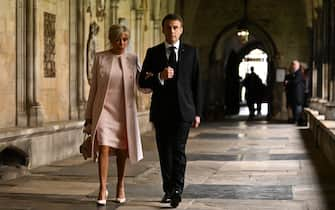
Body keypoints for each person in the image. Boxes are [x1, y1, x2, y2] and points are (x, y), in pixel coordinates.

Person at [138, 13, 202, 208]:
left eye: (176, 27)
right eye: (169, 27)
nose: (172, 31)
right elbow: (142, 81)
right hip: (161, 112)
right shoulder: (153, 52)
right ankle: (168, 189)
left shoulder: (191, 52)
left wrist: (198, 112)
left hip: (184, 111)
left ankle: (177, 190)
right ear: (163, 29)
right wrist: (160, 76)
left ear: (181, 30)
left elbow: (197, 83)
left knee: (178, 151)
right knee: (164, 152)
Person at [84, 24, 143, 206]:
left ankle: (120, 185)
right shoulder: (100, 58)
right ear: (111, 39)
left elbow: (143, 85)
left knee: (122, 150)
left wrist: (158, 79)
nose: (122, 43)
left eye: (125, 39)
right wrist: (89, 117)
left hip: (124, 112)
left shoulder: (133, 59)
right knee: (104, 147)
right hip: (103, 111)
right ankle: (102, 188)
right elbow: (93, 89)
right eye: (118, 39)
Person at [286, 60, 305, 125]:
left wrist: (288, 82)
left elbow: (295, 81)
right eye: (292, 65)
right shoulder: (293, 73)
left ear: (297, 66)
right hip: (294, 95)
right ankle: (295, 120)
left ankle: (297, 120)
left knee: (298, 109)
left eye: (294, 65)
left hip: (298, 95)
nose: (292, 66)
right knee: (294, 108)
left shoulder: (299, 73)